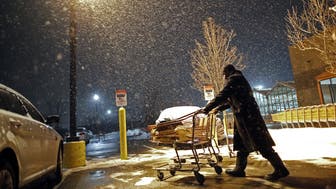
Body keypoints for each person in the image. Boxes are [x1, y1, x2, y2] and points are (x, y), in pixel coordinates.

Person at [202, 64, 289, 181]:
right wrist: (218, 109)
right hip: (245, 116)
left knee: (261, 143)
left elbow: (223, 95)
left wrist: (207, 108)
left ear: (228, 72)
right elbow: (231, 100)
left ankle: (280, 169)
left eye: (224, 75)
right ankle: (239, 169)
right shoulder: (238, 79)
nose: (224, 78)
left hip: (248, 117)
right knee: (242, 144)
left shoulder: (234, 79)